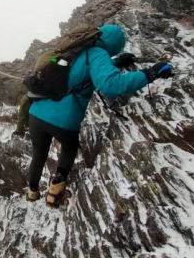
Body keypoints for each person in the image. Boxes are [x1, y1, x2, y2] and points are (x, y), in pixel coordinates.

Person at [26, 24, 174, 206]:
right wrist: (149, 74)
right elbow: (111, 85)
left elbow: (81, 70)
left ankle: (32, 191)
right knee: (69, 147)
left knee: (38, 154)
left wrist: (117, 62)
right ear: (114, 44)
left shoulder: (77, 50)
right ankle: (55, 188)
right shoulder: (97, 54)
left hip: (37, 113)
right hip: (63, 120)